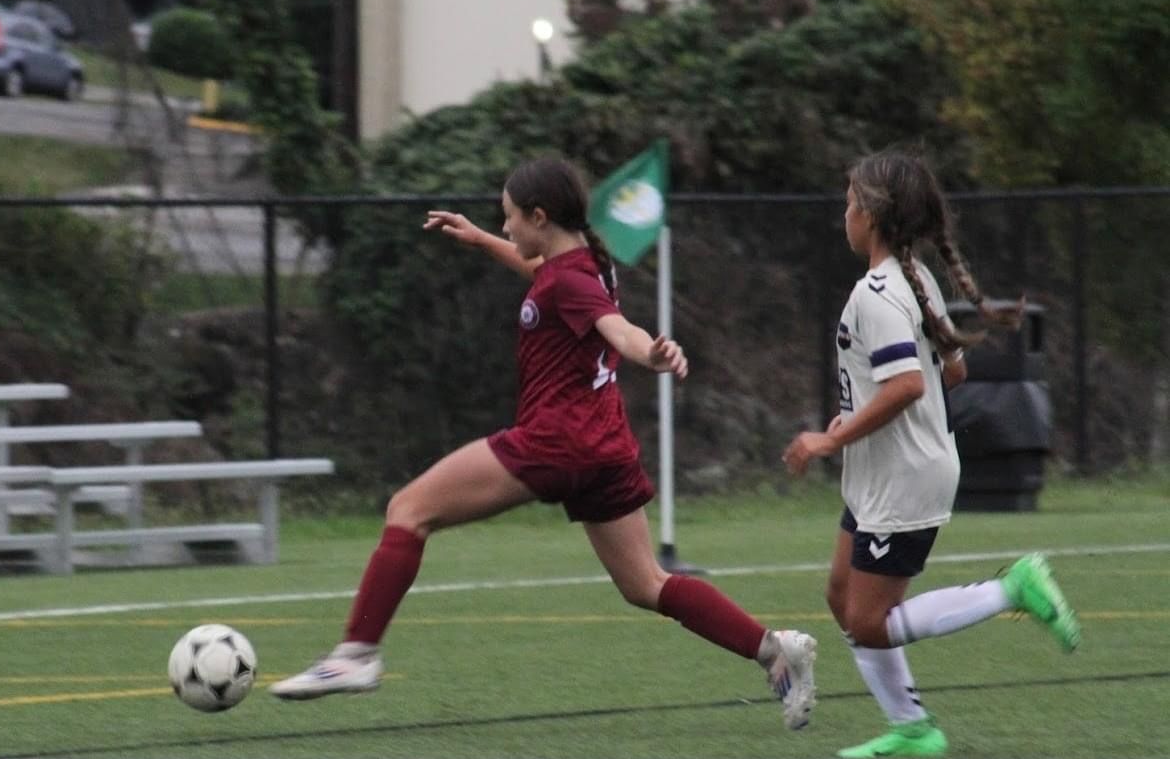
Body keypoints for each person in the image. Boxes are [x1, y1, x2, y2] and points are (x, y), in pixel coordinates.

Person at [271, 155, 819, 730]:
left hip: (557, 442)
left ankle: (355, 655)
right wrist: (482, 239)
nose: (506, 227)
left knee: (408, 510)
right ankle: (772, 650)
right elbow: (552, 283)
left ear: (539, 216)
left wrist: (650, 354)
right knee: (644, 584)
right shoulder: (584, 264)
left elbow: (616, 328)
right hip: (605, 446)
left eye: (509, 218)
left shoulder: (573, 280)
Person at [782, 149, 1080, 758]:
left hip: (902, 477)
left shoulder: (879, 291)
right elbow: (952, 370)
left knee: (869, 621)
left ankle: (1012, 589)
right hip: (880, 471)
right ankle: (912, 727)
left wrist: (831, 436)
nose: (844, 212)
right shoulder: (915, 281)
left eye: (848, 201)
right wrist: (860, 410)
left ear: (869, 213)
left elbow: (909, 385)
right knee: (841, 595)